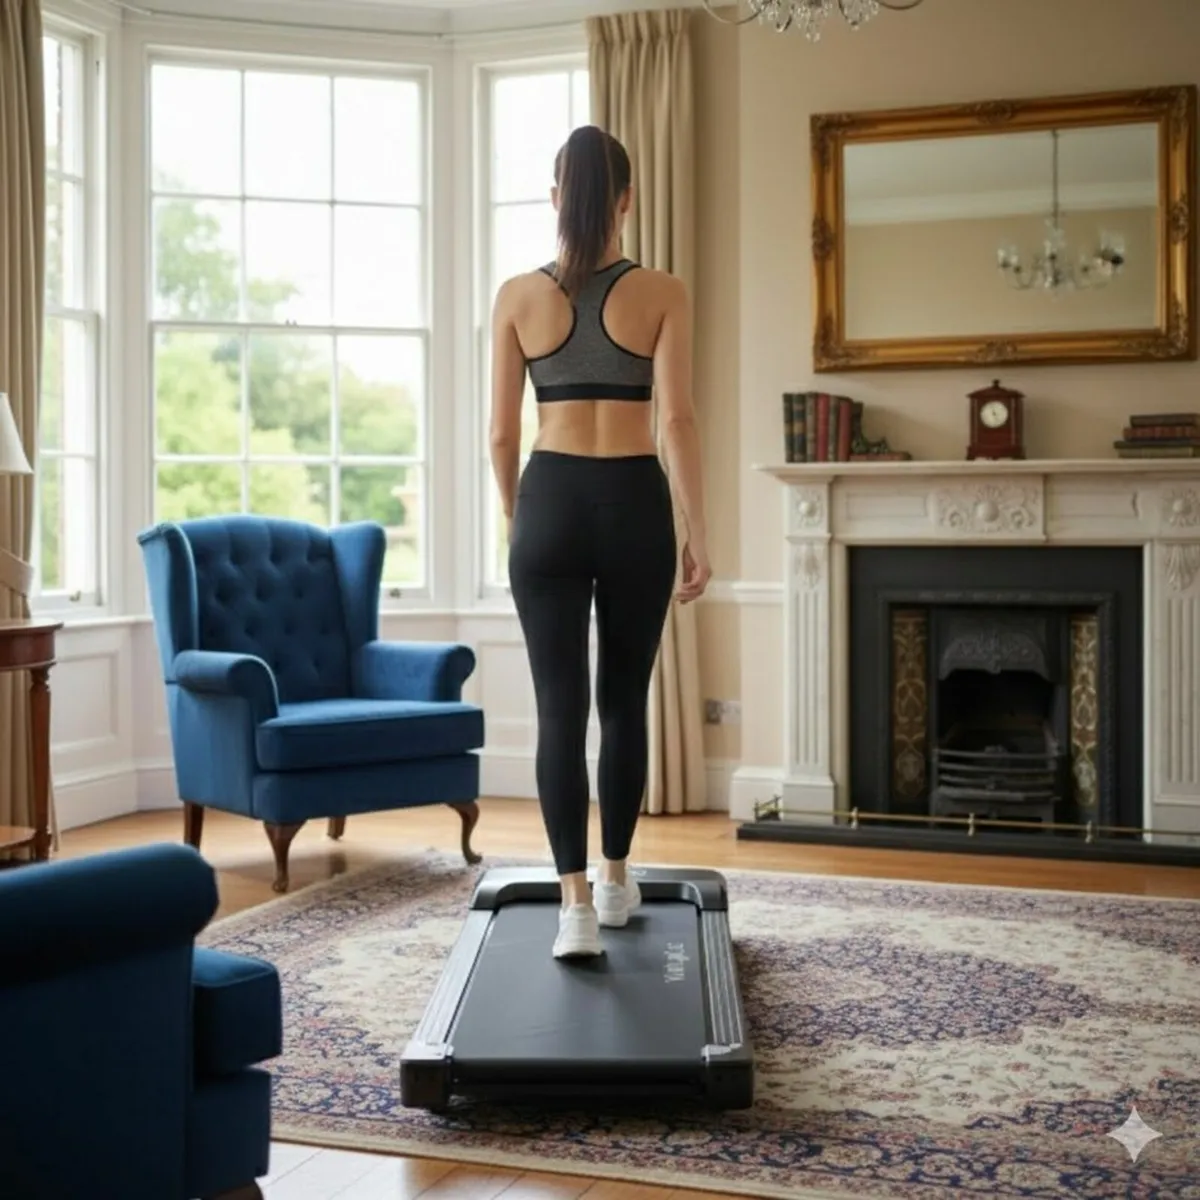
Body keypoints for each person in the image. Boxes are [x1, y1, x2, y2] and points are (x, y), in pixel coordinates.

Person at [488, 124, 711, 960]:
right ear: (626, 199)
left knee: (558, 708)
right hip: (631, 502)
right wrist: (697, 529)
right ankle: (617, 880)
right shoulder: (663, 292)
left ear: (556, 198)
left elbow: (499, 436)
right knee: (622, 704)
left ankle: (572, 907)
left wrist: (522, 520)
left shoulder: (516, 296)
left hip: (547, 498)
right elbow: (678, 421)